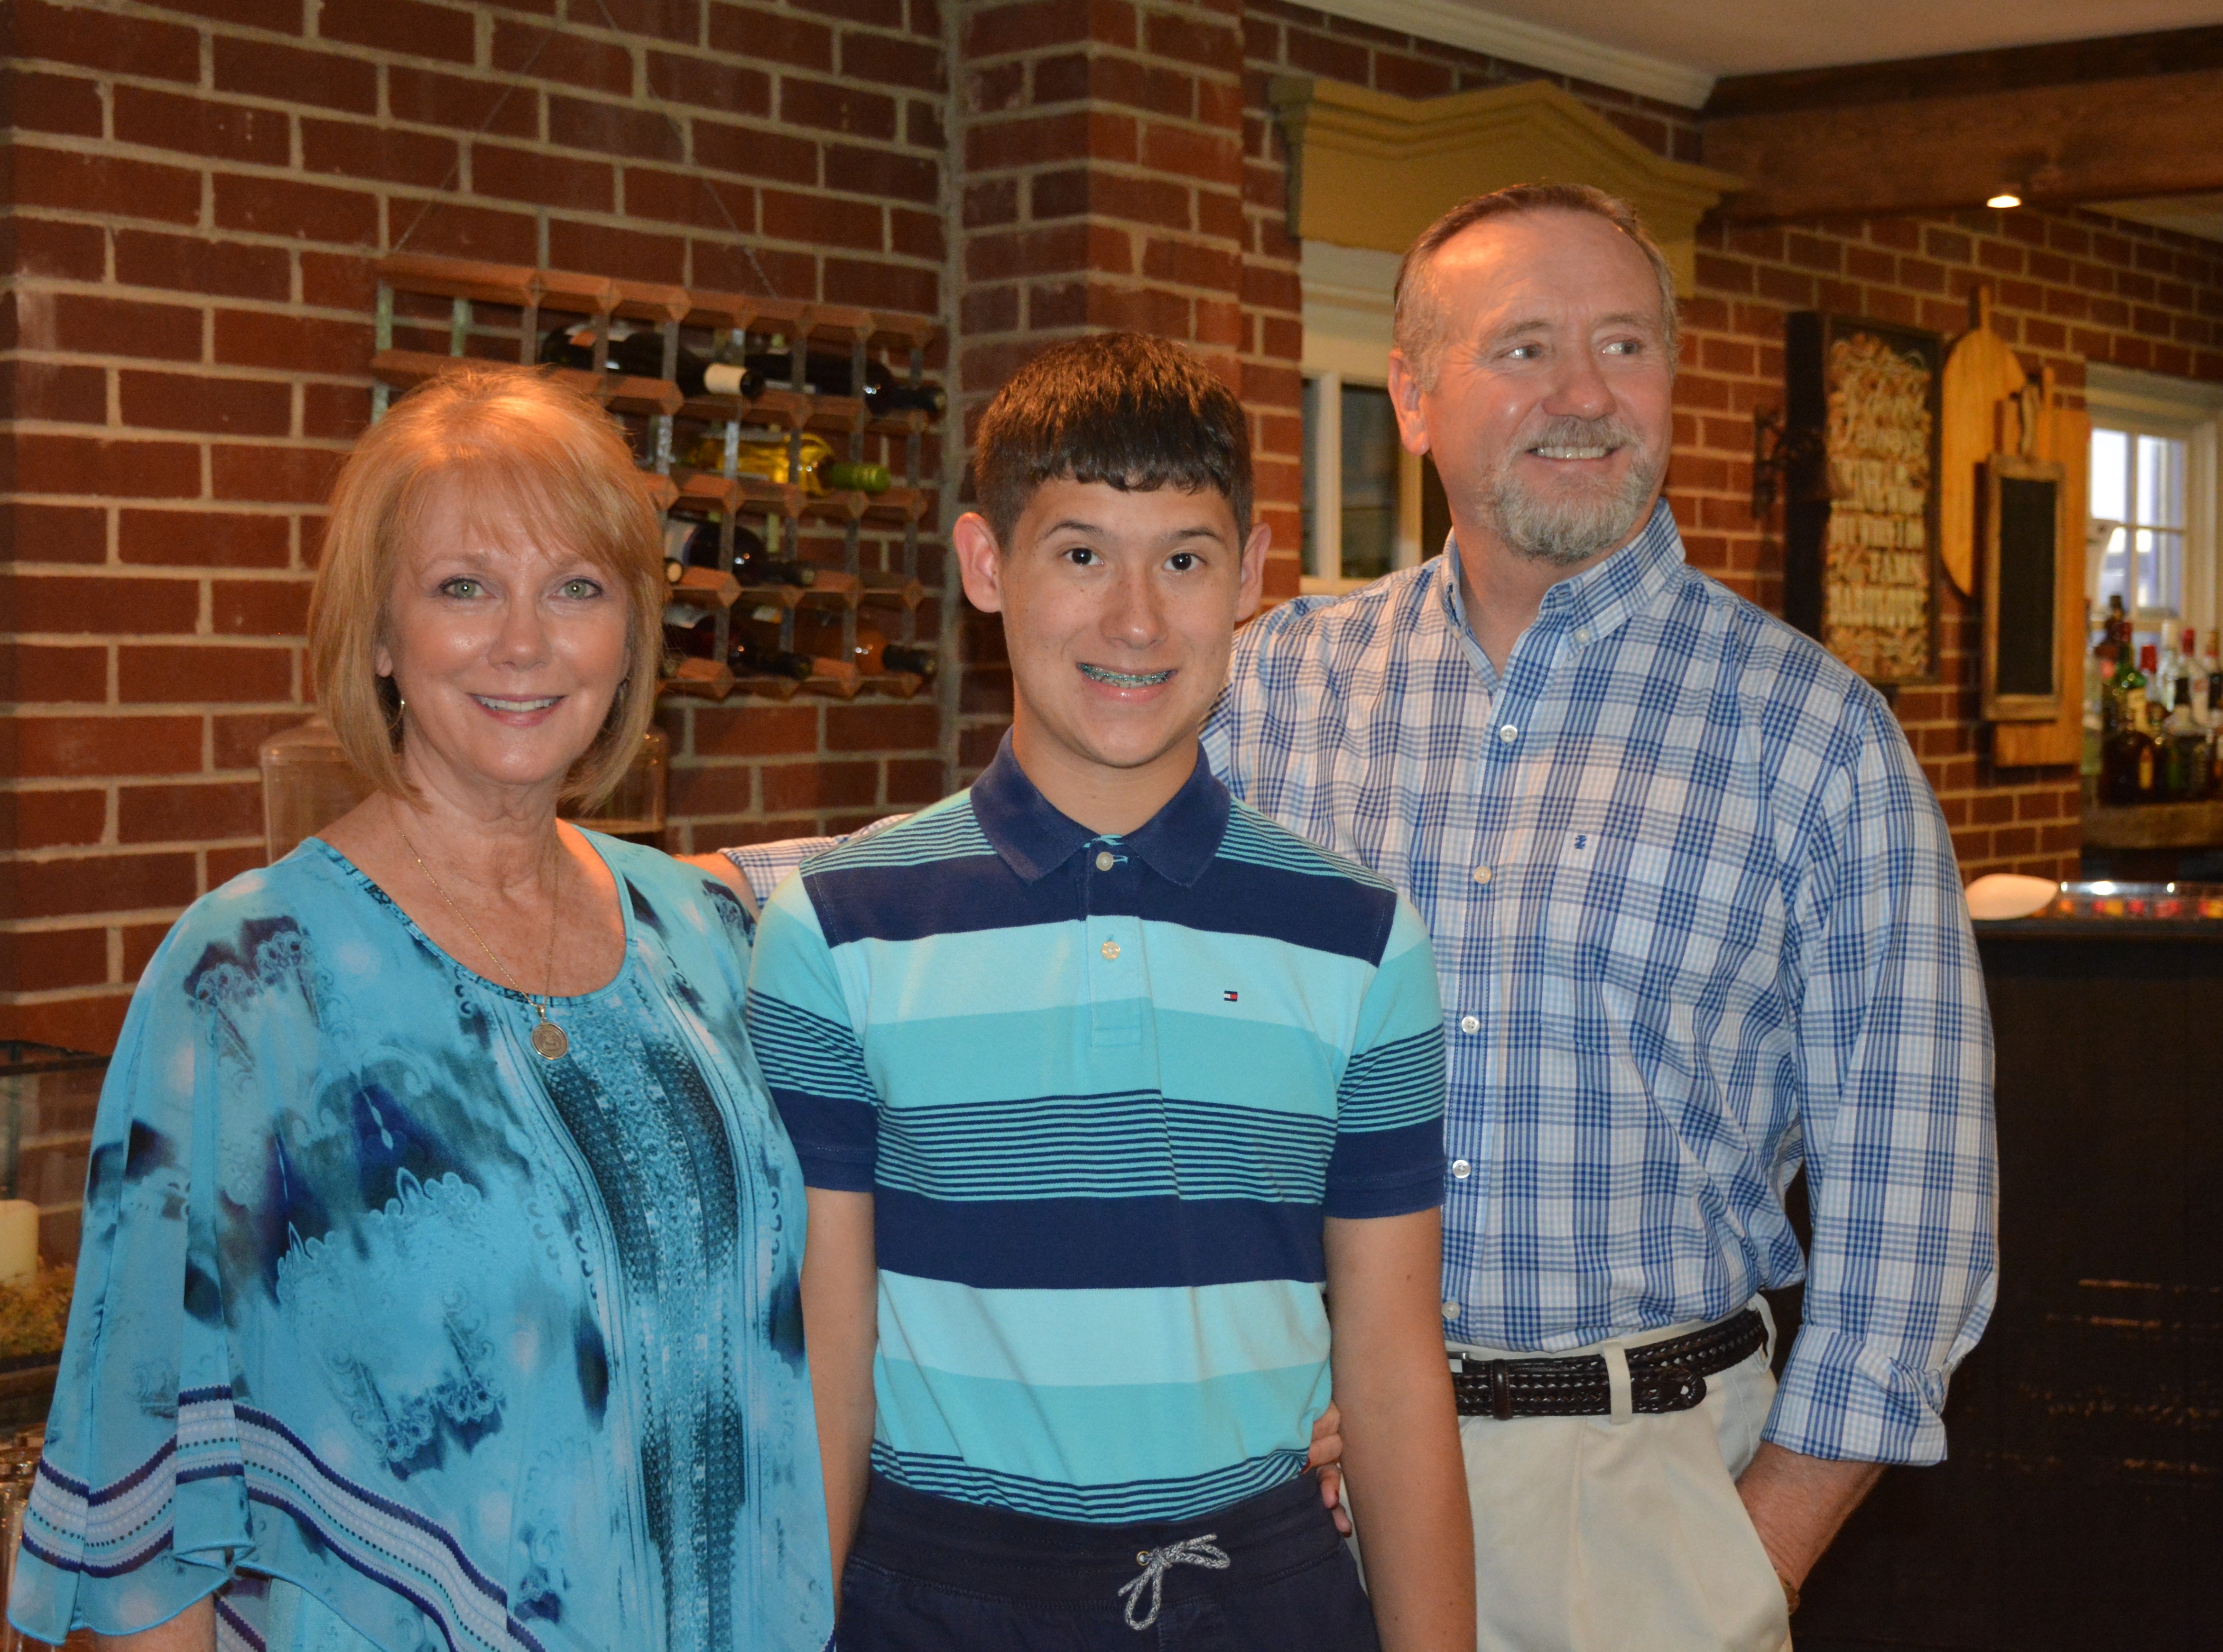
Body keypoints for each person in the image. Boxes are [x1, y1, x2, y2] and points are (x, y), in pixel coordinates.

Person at [711, 185, 1997, 1652]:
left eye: (1625, 344)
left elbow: (1918, 1226)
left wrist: (1743, 1563)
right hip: (1305, 1489)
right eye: (1524, 347)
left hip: (1642, 1496)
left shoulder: (1816, 738)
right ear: (1413, 396)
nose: (1584, 393)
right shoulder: (1278, 675)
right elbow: (1028, 842)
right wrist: (637, 887)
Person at [8, 364, 832, 1652]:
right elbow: (145, 1485)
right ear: (379, 636)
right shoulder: (250, 982)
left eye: (577, 587)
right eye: (464, 587)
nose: (525, 642)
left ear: (630, 635)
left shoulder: (704, 936)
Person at [742, 334, 1475, 1652]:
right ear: (986, 566)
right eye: (1081, 554)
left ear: (1250, 576)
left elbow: (1393, 1364)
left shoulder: (1362, 939)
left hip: (1264, 1593)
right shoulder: (837, 931)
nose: (1136, 619)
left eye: (1184, 560)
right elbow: (825, 1372)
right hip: (933, 1596)